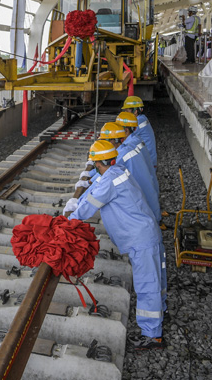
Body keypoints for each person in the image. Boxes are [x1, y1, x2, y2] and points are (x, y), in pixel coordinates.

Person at [66, 140, 167, 350]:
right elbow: (95, 189)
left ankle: (152, 335)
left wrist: (69, 219)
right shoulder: (118, 171)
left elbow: (87, 208)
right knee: (156, 280)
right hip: (147, 233)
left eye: (94, 164)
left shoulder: (109, 181)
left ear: (98, 164)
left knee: (147, 285)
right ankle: (161, 311)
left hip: (141, 240)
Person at [79, 122, 161, 224]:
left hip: (148, 216)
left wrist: (80, 199)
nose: (105, 145)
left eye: (106, 141)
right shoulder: (128, 147)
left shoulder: (121, 155)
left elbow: (102, 181)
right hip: (149, 210)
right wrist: (90, 177)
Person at [121, 96, 157, 169]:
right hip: (149, 159)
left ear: (135, 111)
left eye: (127, 111)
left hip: (147, 162)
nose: (125, 113)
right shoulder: (142, 118)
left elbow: (124, 137)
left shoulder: (137, 122)